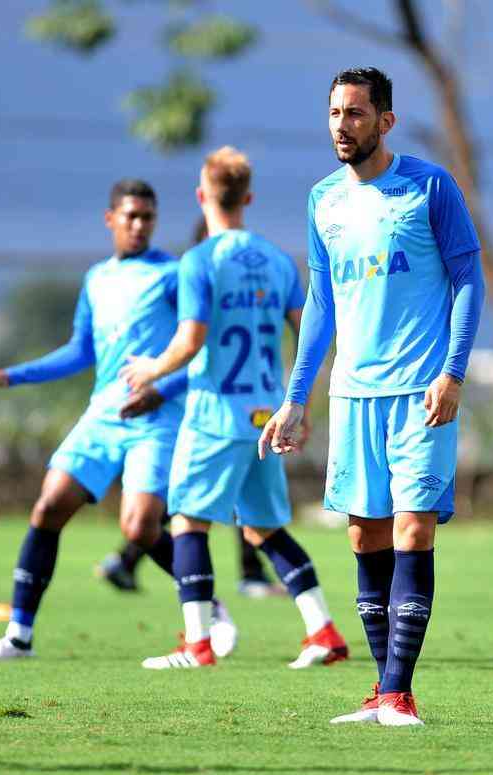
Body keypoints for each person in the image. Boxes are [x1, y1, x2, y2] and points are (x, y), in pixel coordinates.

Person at [259, 66, 485, 726]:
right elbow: (320, 305)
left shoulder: (429, 186)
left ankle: (398, 692)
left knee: (413, 526)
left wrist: (453, 373)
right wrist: (297, 397)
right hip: (354, 396)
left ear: (385, 121)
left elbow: (469, 282)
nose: (342, 125)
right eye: (334, 113)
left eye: (356, 114)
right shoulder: (323, 201)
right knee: (364, 535)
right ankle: (379, 692)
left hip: (422, 391)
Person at [0, 179, 235, 663]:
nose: (139, 225)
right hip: (102, 416)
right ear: (110, 219)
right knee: (48, 507)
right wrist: (11, 375)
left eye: (147, 218)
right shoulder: (96, 279)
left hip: (155, 419)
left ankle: (209, 605)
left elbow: (202, 352)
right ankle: (18, 637)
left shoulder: (174, 275)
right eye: (130, 217)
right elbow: (80, 351)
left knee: (139, 528)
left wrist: (159, 390)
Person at [121, 146, 347, 669]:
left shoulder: (200, 261)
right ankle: (324, 632)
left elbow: (191, 339)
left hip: (216, 416)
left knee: (188, 523)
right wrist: (300, 405)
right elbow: (309, 332)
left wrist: (152, 369)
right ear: (247, 197)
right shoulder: (275, 259)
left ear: (202, 197)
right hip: (267, 414)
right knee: (262, 527)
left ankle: (197, 645)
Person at [96, 215, 283, 600]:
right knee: (201, 499)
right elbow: (193, 354)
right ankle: (243, 580)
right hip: (209, 410)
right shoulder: (198, 278)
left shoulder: (224, 283)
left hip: (228, 406)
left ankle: (128, 560)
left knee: (199, 498)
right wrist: (161, 386)